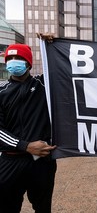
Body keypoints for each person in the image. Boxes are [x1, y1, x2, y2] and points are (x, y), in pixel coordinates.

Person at [0, 43, 57, 213]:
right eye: (10, 58)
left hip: (42, 162)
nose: (14, 62)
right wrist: (26, 146)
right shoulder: (1, 91)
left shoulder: (44, 85)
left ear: (29, 63)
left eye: (19, 58)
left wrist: (51, 44)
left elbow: (63, 66)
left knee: (43, 208)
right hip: (10, 161)